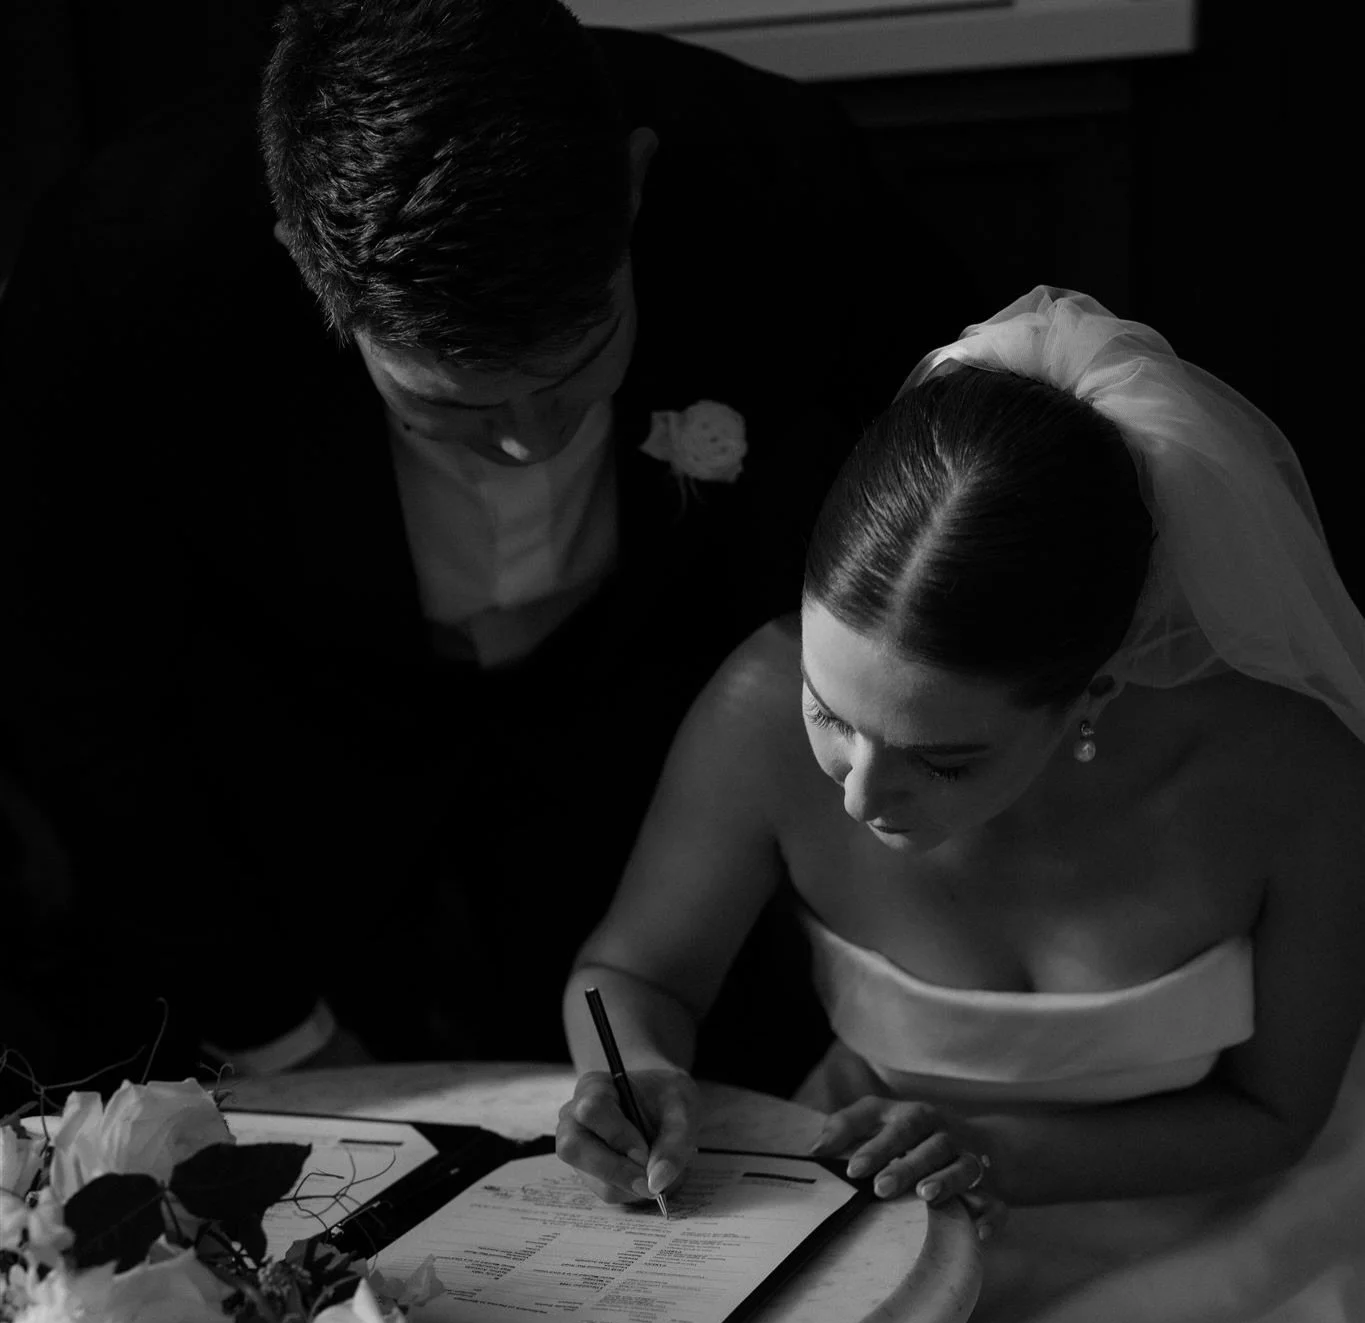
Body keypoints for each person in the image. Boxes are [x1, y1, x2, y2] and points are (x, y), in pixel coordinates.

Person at [556, 288, 1365, 1323]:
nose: (863, 793)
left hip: (1231, 1239)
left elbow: (1276, 1115)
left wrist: (999, 1152)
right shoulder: (752, 710)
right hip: (893, 1248)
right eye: (834, 714)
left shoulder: (1291, 780)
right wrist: (631, 1063)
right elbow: (634, 970)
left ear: (1091, 694)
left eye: (941, 757)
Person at [1, 0, 954, 1092]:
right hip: (282, 757)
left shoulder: (782, 176)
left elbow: (959, 510)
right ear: (300, 259)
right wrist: (282, 1037)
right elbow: (81, 693)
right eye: (448, 404)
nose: (528, 442)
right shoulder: (125, 266)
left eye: (576, 368)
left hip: (662, 714)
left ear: (632, 185)